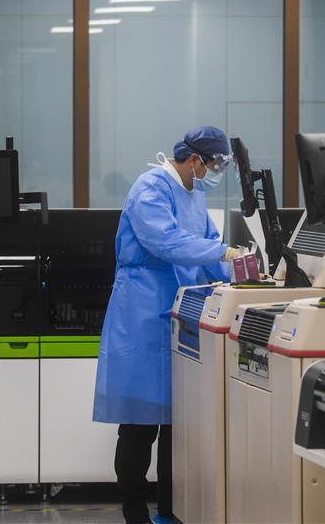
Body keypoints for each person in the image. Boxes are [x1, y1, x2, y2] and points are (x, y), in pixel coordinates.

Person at [93, 126, 241, 524]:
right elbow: (167, 242)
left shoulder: (195, 195)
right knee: (140, 425)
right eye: (213, 165)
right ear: (194, 160)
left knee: (178, 423)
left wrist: (242, 273)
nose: (214, 174)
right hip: (142, 313)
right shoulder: (150, 189)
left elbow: (208, 248)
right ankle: (135, 514)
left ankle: (170, 509)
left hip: (181, 313)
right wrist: (222, 251)